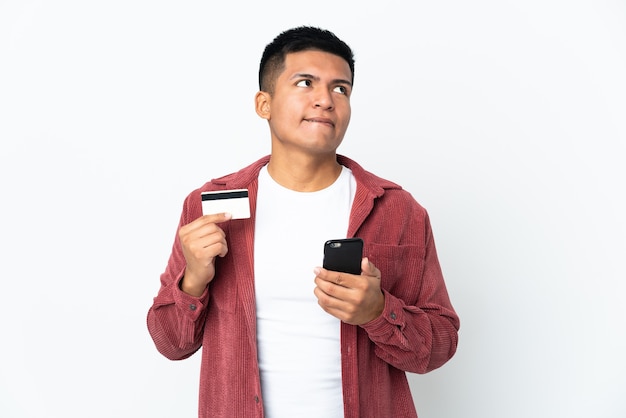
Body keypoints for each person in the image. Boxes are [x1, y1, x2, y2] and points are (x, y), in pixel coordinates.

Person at [147, 26, 460, 418]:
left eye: (340, 89)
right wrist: (193, 279)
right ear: (264, 104)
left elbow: (440, 344)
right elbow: (171, 343)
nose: (325, 100)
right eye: (305, 82)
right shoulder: (212, 205)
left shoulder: (397, 210)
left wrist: (378, 311)